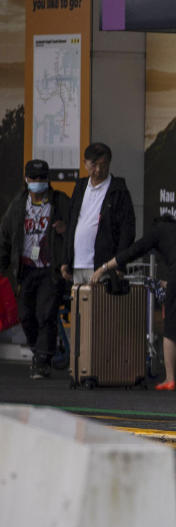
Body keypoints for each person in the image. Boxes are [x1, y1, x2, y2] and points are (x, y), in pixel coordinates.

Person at [92, 214, 176, 391]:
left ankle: (170, 379)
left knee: (171, 328)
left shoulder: (159, 231)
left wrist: (103, 268)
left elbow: (132, 251)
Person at [0, 160, 71, 378]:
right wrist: (3, 266)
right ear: (26, 179)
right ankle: (40, 350)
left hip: (50, 269)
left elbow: (77, 229)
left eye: (42, 178)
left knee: (45, 313)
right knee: (26, 315)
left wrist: (64, 229)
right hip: (26, 269)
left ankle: (42, 360)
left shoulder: (59, 202)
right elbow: (5, 235)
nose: (38, 182)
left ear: (47, 179)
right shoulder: (19, 204)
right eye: (33, 178)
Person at [60, 142, 136, 285]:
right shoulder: (80, 186)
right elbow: (71, 224)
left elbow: (127, 230)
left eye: (104, 164)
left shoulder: (118, 190)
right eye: (94, 164)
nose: (99, 169)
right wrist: (65, 260)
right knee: (80, 307)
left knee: (101, 306)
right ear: (85, 163)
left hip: (104, 266)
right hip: (77, 264)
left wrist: (119, 264)